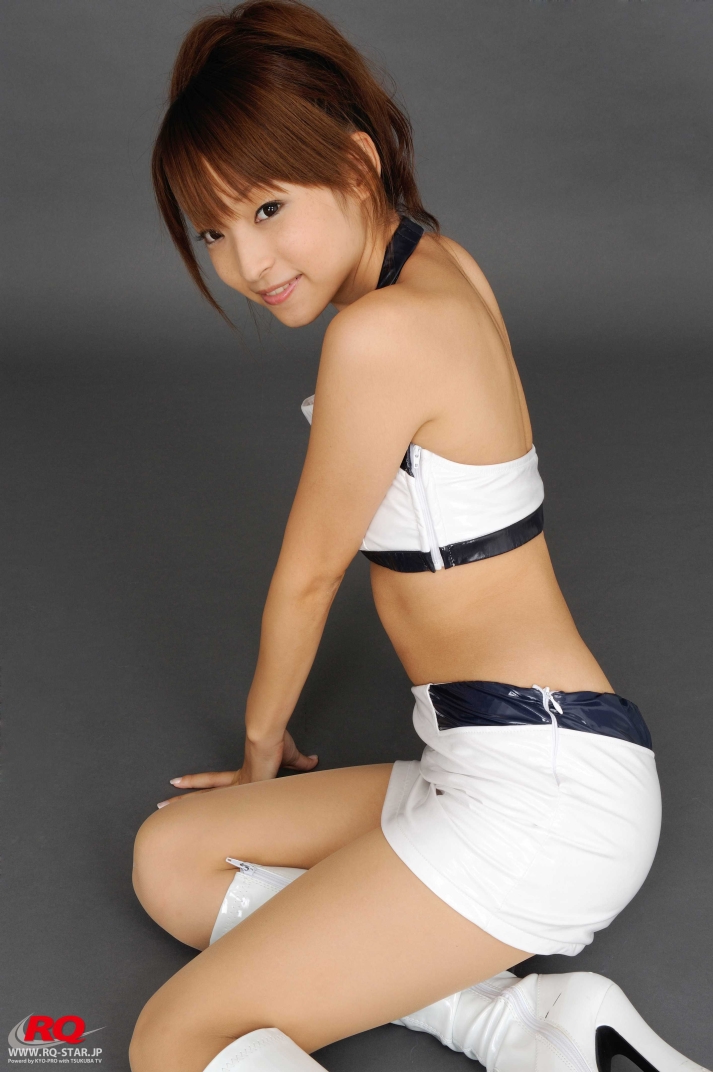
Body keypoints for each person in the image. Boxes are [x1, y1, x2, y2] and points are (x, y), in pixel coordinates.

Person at [128, 3, 708, 1071]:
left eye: (267, 207)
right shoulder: (435, 262)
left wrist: (259, 754)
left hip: (544, 800)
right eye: (214, 231)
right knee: (172, 861)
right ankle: (521, 1025)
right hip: (492, 753)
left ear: (354, 164)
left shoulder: (379, 333)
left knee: (175, 1037)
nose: (246, 260)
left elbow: (307, 580)